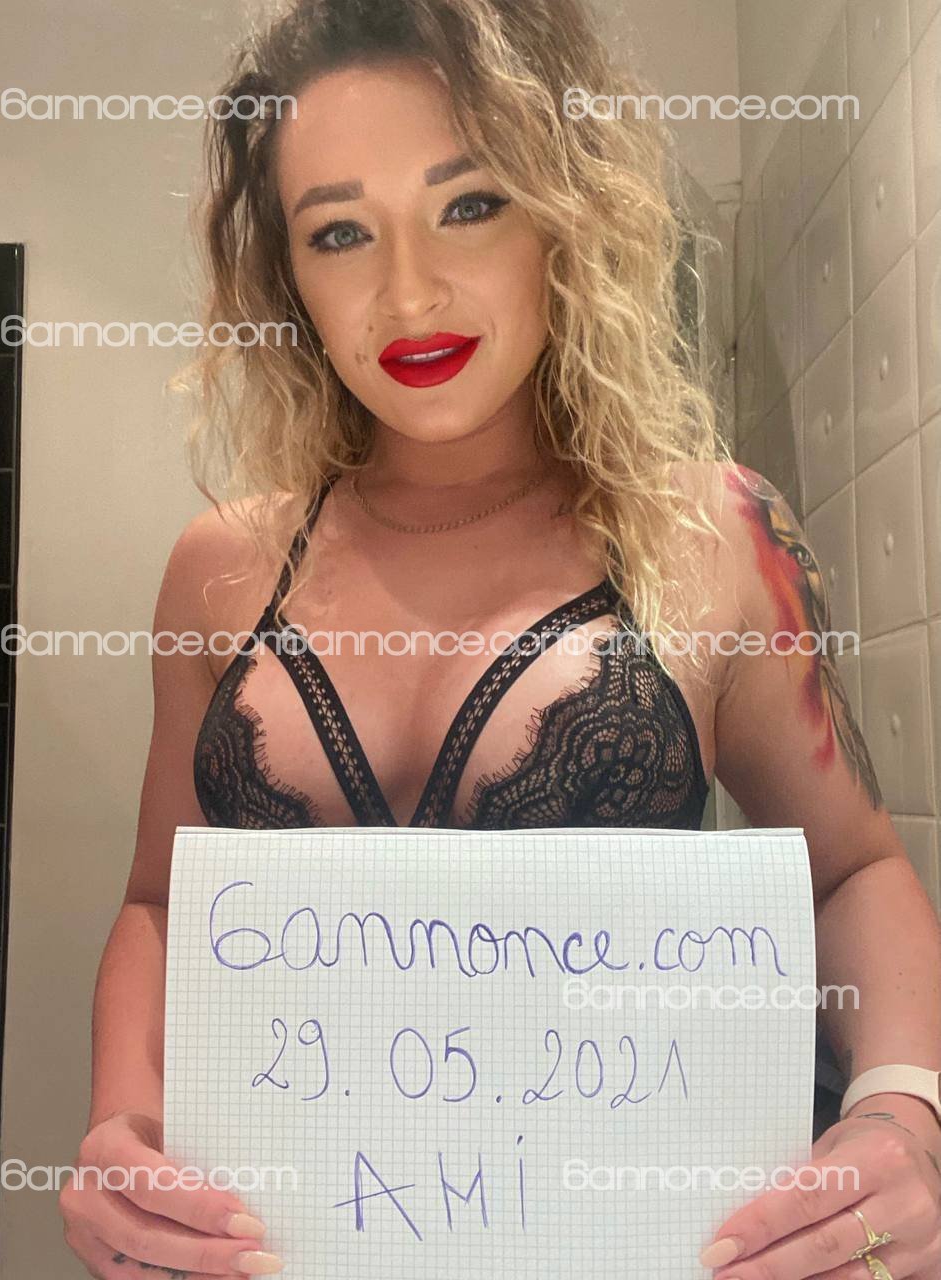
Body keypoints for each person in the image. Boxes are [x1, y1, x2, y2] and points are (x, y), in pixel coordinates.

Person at [60, 1, 941, 1277]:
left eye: (468, 204)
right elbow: (158, 901)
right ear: (286, 274)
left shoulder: (710, 535)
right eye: (340, 231)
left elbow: (849, 869)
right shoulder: (220, 571)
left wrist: (902, 1109)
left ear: (562, 213)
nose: (407, 289)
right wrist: (120, 1134)